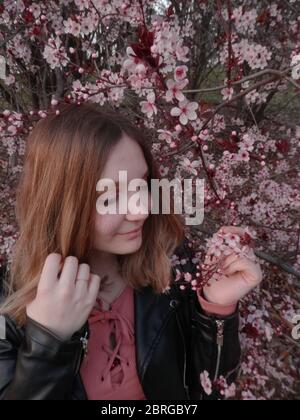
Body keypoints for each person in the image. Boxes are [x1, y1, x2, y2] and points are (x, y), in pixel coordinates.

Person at [0, 102, 262, 400]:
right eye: (110, 197)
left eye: (141, 186)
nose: (141, 210)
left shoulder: (172, 263)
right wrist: (47, 343)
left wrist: (216, 310)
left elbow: (209, 392)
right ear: (61, 206)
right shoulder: (7, 309)